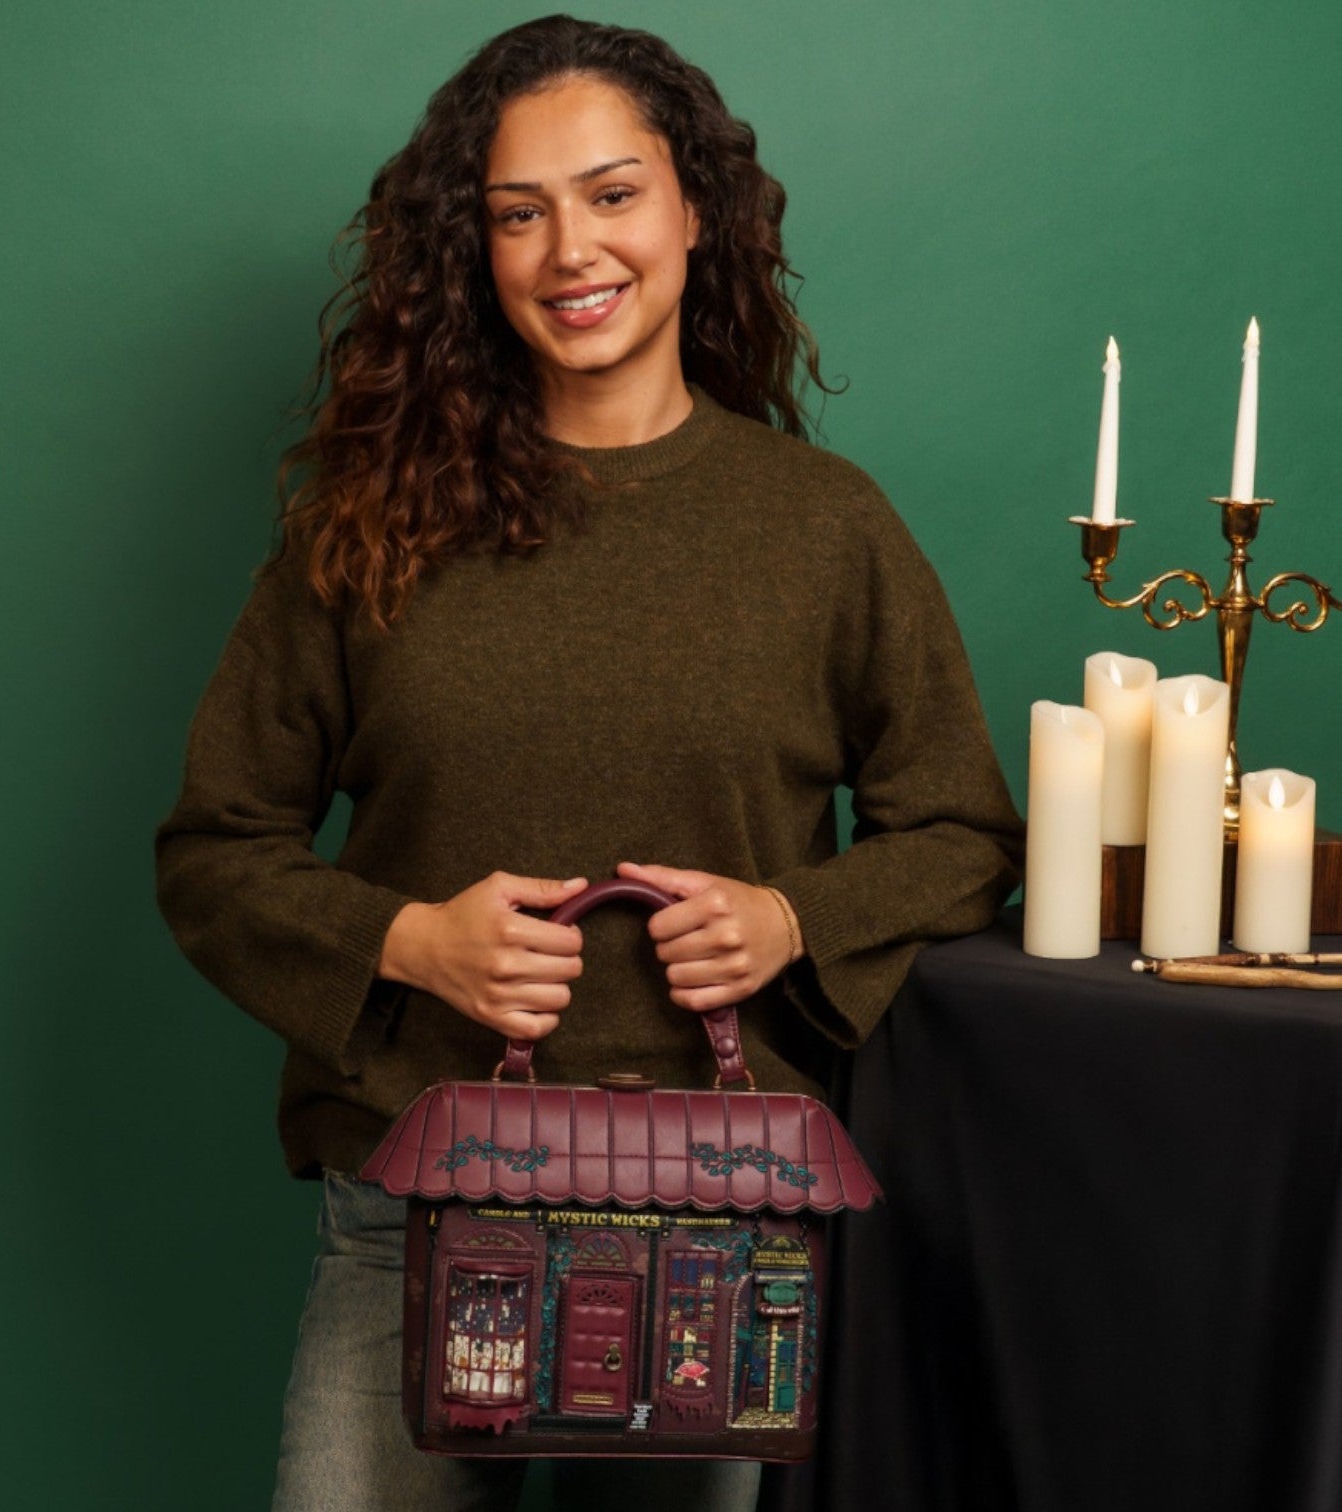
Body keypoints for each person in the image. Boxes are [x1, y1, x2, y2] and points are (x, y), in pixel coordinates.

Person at [155, 15, 1022, 1512]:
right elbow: (214, 848)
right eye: (518, 213)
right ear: (473, 251)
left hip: (719, 1211)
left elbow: (962, 832)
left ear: (696, 211)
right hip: (417, 1192)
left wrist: (791, 918)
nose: (571, 250)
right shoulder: (370, 526)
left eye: (613, 194)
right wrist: (411, 941)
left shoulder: (825, 526)